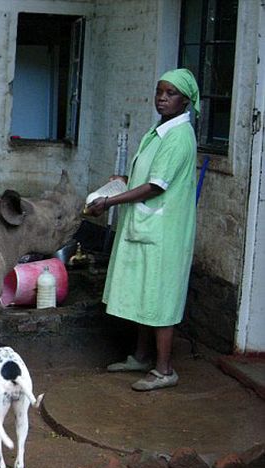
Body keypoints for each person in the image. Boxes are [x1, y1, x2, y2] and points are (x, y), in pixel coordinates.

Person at [86, 68, 200, 391]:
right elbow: (144, 177)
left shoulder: (179, 137)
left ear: (187, 100)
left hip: (166, 230)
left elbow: (155, 185)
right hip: (150, 224)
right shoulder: (159, 130)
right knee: (144, 290)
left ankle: (164, 370)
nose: (162, 99)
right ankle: (141, 356)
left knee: (161, 298)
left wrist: (110, 202)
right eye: (159, 92)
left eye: (171, 94)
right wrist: (120, 183)